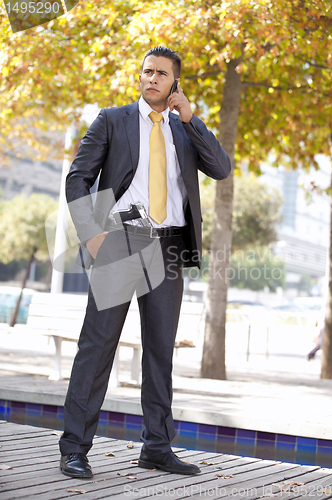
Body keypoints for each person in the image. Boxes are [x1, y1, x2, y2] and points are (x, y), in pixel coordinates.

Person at [59, 46, 231, 478]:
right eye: (146, 71)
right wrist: (93, 233)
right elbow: (78, 178)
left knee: (160, 354)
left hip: (169, 248)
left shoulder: (184, 129)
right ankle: (74, 448)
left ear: (175, 83)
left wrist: (191, 119)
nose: (152, 78)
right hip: (119, 240)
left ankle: (157, 446)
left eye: (161, 74)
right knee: (97, 350)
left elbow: (221, 168)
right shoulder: (112, 120)